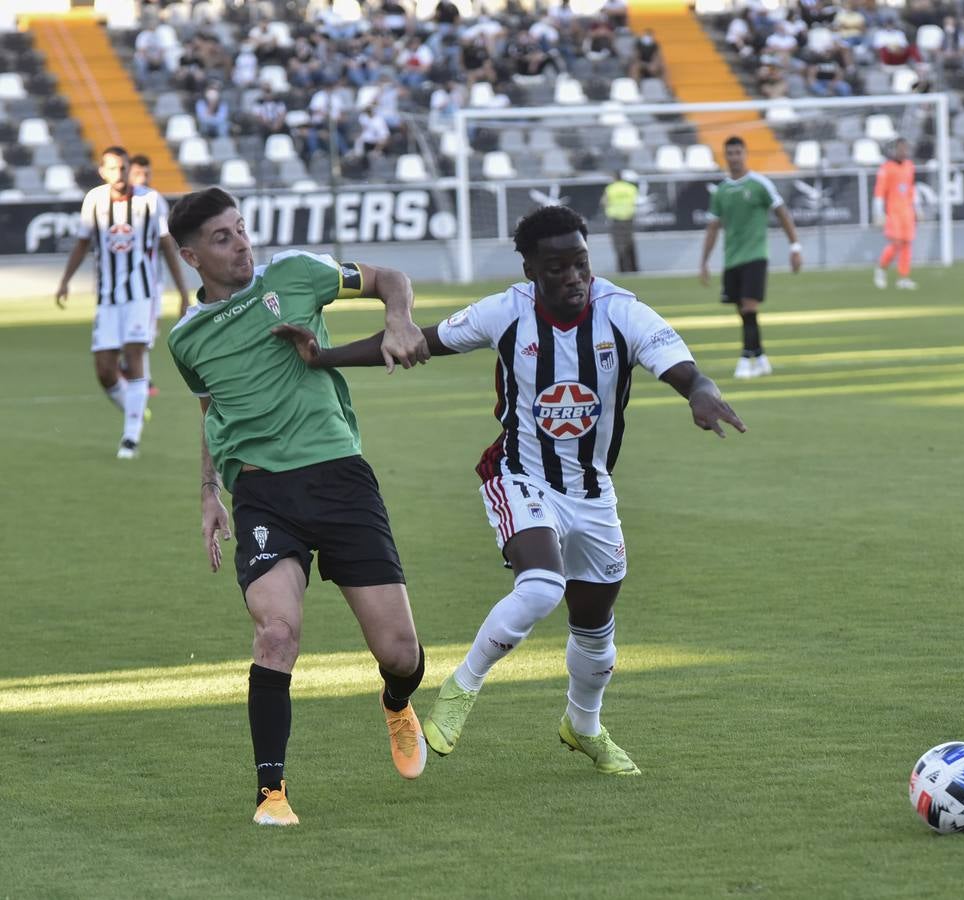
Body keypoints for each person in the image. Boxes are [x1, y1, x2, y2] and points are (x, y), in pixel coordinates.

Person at [271, 205, 746, 776]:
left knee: (596, 635)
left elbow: (685, 369)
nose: (573, 277)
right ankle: (459, 691)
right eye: (557, 268)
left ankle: (583, 727)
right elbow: (418, 342)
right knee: (542, 585)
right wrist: (324, 357)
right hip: (520, 476)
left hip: (593, 493)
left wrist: (701, 392)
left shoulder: (623, 312)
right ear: (529, 270)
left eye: (581, 264)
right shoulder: (506, 313)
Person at [164, 187, 434, 826]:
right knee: (276, 632)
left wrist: (398, 319)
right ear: (190, 255)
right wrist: (209, 494)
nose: (242, 245)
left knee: (400, 653)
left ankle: (397, 701)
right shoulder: (187, 338)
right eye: (223, 238)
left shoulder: (297, 273)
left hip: (340, 480)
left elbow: (389, 277)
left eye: (241, 229)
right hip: (262, 495)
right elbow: (212, 411)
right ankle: (272, 795)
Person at [55, 146, 191, 459]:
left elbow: (167, 247)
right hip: (106, 297)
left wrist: (183, 292)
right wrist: (65, 280)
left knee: (134, 356)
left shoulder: (150, 200)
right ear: (102, 171)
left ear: (130, 168)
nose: (119, 174)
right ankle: (136, 408)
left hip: (140, 295)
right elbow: (82, 243)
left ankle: (130, 438)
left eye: (123, 167)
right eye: (112, 169)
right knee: (104, 370)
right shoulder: (94, 200)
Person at [699, 135, 803, 380]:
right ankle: (761, 356)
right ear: (725, 157)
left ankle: (746, 358)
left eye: (738, 153)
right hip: (732, 258)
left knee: (748, 306)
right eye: (730, 154)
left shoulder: (760, 184)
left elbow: (782, 213)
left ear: (745, 154)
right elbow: (713, 227)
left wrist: (795, 246)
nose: (735, 158)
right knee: (743, 311)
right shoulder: (721, 191)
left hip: (756, 255)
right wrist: (704, 261)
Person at [126, 153, 185, 398]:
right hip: (134, 282)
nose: (144, 178)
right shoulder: (120, 202)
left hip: (150, 279)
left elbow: (166, 244)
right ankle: (143, 379)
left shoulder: (154, 201)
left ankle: (134, 371)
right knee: (142, 331)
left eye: (147, 173)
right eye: (139, 173)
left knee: (147, 330)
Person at [872, 137, 918, 290]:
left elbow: (911, 189)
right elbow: (879, 192)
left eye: (905, 148)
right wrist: (879, 213)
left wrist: (917, 209)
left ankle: (903, 277)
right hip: (893, 212)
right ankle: (881, 268)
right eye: (901, 148)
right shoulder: (886, 168)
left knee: (906, 244)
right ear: (894, 150)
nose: (904, 151)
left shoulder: (909, 166)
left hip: (907, 211)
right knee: (896, 243)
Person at [601, 169, 639, 273]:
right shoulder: (631, 188)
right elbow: (636, 201)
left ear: (614, 178)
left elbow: (604, 202)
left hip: (616, 219)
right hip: (628, 218)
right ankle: (634, 268)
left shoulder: (610, 188)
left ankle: (622, 269)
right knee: (630, 242)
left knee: (618, 244)